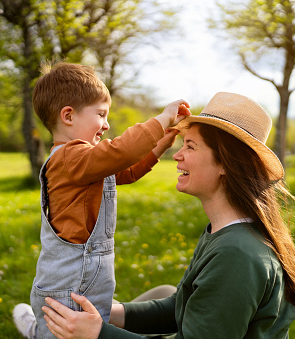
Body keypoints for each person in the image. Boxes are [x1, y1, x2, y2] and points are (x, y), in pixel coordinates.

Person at [38, 92, 295, 339]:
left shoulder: (237, 255)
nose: (177, 156)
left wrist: (98, 333)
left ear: (226, 163)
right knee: (165, 292)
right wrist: (113, 314)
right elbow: (179, 304)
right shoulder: (226, 231)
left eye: (190, 146)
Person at [13, 61, 191, 339]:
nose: (107, 125)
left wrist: (163, 140)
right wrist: (160, 121)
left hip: (88, 287)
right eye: (100, 114)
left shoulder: (89, 162)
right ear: (68, 116)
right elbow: (121, 152)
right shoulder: (70, 158)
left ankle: (39, 329)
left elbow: (129, 168)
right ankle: (38, 331)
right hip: (67, 292)